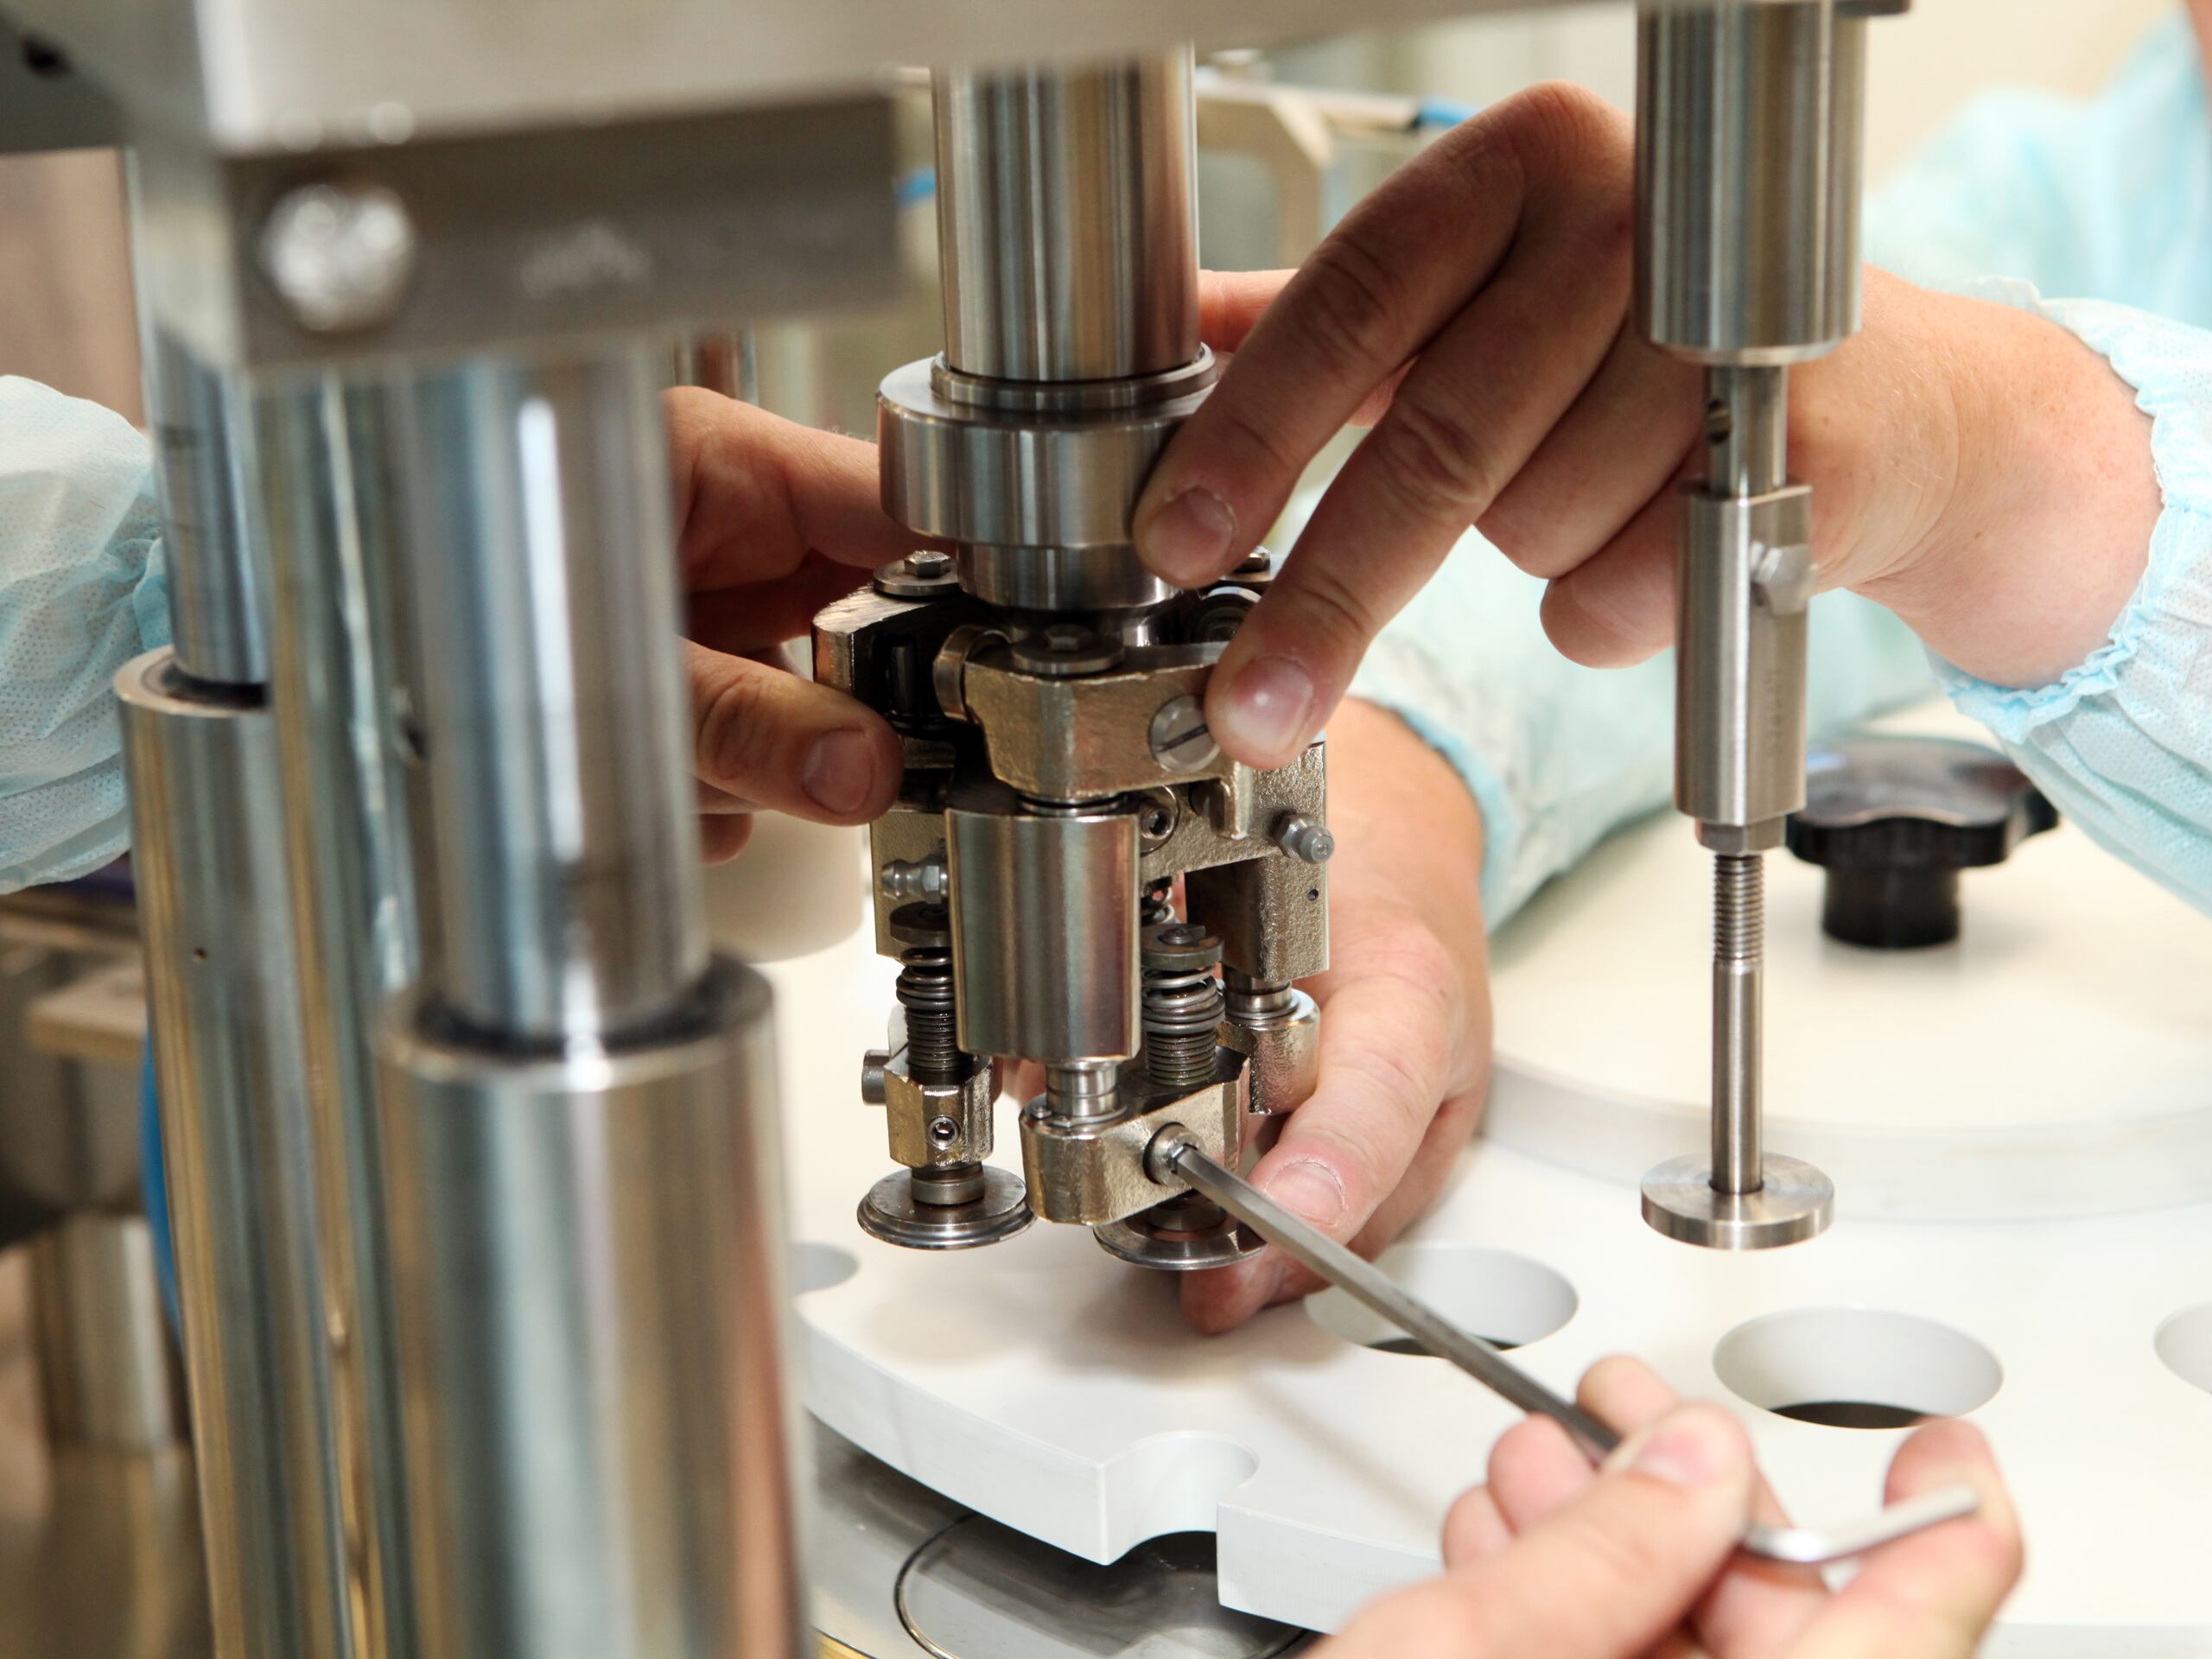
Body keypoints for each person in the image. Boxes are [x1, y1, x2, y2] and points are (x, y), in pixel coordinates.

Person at [8, 8, 2208, 1649]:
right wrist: (1395, 800)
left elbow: (1813, 444)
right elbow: (1599, 543)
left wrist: (2025, 465)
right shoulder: (2093, 167)